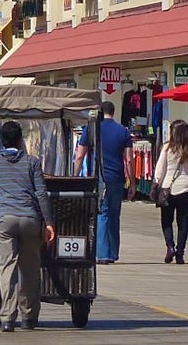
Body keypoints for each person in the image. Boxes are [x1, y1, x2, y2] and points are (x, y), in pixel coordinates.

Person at [0, 120, 55, 332]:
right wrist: (49, 222)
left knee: (7, 269)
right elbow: (41, 193)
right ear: (20, 140)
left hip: (4, 220)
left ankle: (7, 318)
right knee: (30, 269)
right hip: (29, 219)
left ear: (2, 140)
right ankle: (29, 316)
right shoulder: (32, 162)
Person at [75, 101, 135, 264]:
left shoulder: (91, 129)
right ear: (113, 112)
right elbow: (129, 159)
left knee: (102, 213)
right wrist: (133, 182)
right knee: (115, 215)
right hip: (117, 178)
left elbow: (80, 156)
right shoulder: (123, 131)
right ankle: (114, 252)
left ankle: (102, 254)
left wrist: (75, 175)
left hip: (100, 176)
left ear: (100, 112)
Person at [153, 121, 188, 265]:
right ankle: (180, 253)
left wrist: (156, 183)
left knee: (166, 221)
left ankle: (170, 247)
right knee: (183, 223)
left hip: (167, 189)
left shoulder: (167, 148)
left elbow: (160, 169)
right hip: (187, 189)